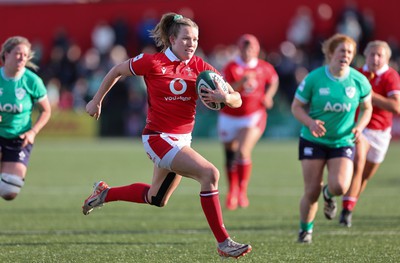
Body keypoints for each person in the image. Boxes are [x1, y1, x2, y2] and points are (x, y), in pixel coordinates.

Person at [82, 13, 252, 259]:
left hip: (183, 139)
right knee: (210, 174)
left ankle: (105, 193)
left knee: (156, 198)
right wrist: (96, 101)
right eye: (185, 39)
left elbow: (236, 98)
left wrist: (225, 97)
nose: (191, 44)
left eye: (194, 39)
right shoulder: (153, 62)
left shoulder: (200, 67)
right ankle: (223, 242)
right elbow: (117, 70)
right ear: (172, 39)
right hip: (157, 137)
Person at [291, 33, 373, 243]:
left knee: (340, 187)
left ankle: (329, 194)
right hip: (313, 140)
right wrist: (310, 122)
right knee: (311, 191)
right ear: (330, 53)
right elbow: (296, 107)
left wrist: (360, 127)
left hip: (342, 141)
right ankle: (305, 230)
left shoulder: (359, 81)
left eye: (350, 52)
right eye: (342, 51)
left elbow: (367, 108)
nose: (346, 55)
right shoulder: (315, 78)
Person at [340, 40, 400, 227]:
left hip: (381, 133)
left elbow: (396, 107)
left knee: (365, 176)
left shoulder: (391, 76)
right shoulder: (356, 74)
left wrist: (370, 95)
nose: (375, 58)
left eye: (379, 55)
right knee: (358, 163)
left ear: (387, 58)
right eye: (372, 54)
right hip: (361, 128)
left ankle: (349, 205)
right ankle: (346, 212)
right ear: (365, 56)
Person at [218, 34, 279, 210]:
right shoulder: (231, 66)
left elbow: (274, 81)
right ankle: (232, 191)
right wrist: (240, 82)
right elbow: (225, 90)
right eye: (245, 48)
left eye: (251, 48)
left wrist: (268, 96)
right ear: (240, 48)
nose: (248, 51)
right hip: (229, 115)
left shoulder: (263, 67)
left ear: (257, 50)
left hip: (253, 115)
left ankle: (242, 191)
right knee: (230, 154)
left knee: (243, 151)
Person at [0, 36, 51, 201]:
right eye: (17, 53)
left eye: (25, 55)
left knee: (9, 190)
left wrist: (32, 132)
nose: (22, 58)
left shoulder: (32, 81)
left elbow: (46, 111)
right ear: (6, 54)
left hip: (19, 138)